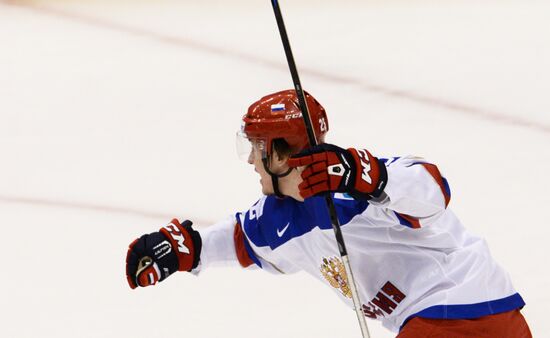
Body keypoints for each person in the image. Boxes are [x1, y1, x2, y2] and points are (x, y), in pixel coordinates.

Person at [125, 89, 531, 337]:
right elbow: (241, 239)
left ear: (281, 153)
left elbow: (432, 191)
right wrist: (185, 249)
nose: (250, 159)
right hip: (465, 319)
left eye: (256, 147)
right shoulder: (278, 216)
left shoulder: (357, 185)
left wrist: (368, 174)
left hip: (458, 308)